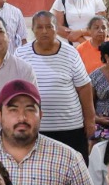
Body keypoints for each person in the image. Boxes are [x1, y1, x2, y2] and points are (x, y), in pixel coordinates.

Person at [16, 11, 94, 158]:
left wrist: (90, 120)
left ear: (56, 29)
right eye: (39, 27)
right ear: (33, 30)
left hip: (71, 127)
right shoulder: (21, 54)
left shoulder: (71, 53)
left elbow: (84, 87)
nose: (44, 31)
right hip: (35, 128)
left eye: (49, 27)